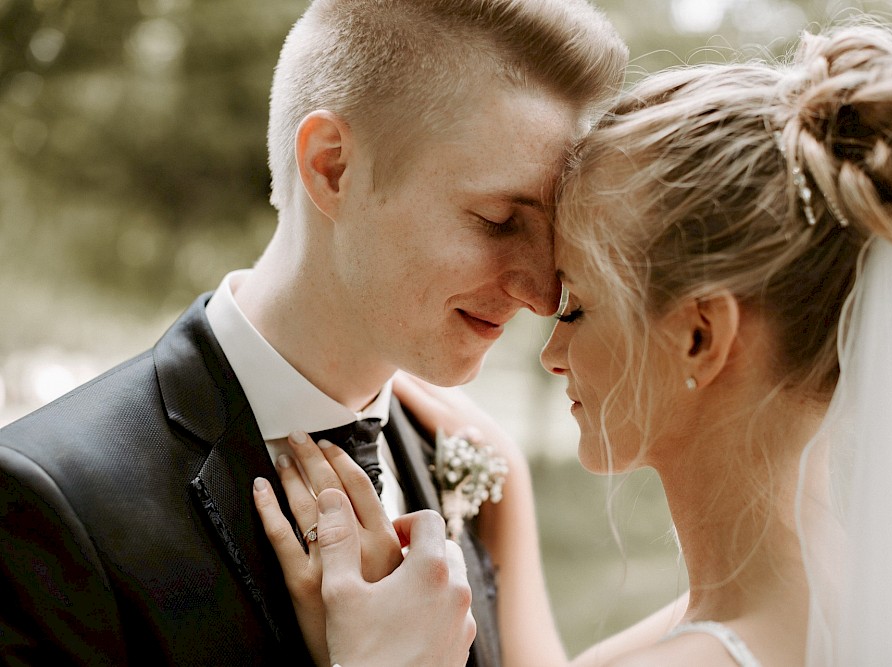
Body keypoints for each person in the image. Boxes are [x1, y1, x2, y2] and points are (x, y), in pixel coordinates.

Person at [264, 23, 892, 666]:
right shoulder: (862, 606)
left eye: (578, 306)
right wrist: (504, 495)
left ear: (699, 336)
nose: (552, 349)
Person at [0, 0, 627, 663]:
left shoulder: (460, 457)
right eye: (499, 220)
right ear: (332, 167)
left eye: (551, 234)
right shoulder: (44, 507)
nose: (540, 293)